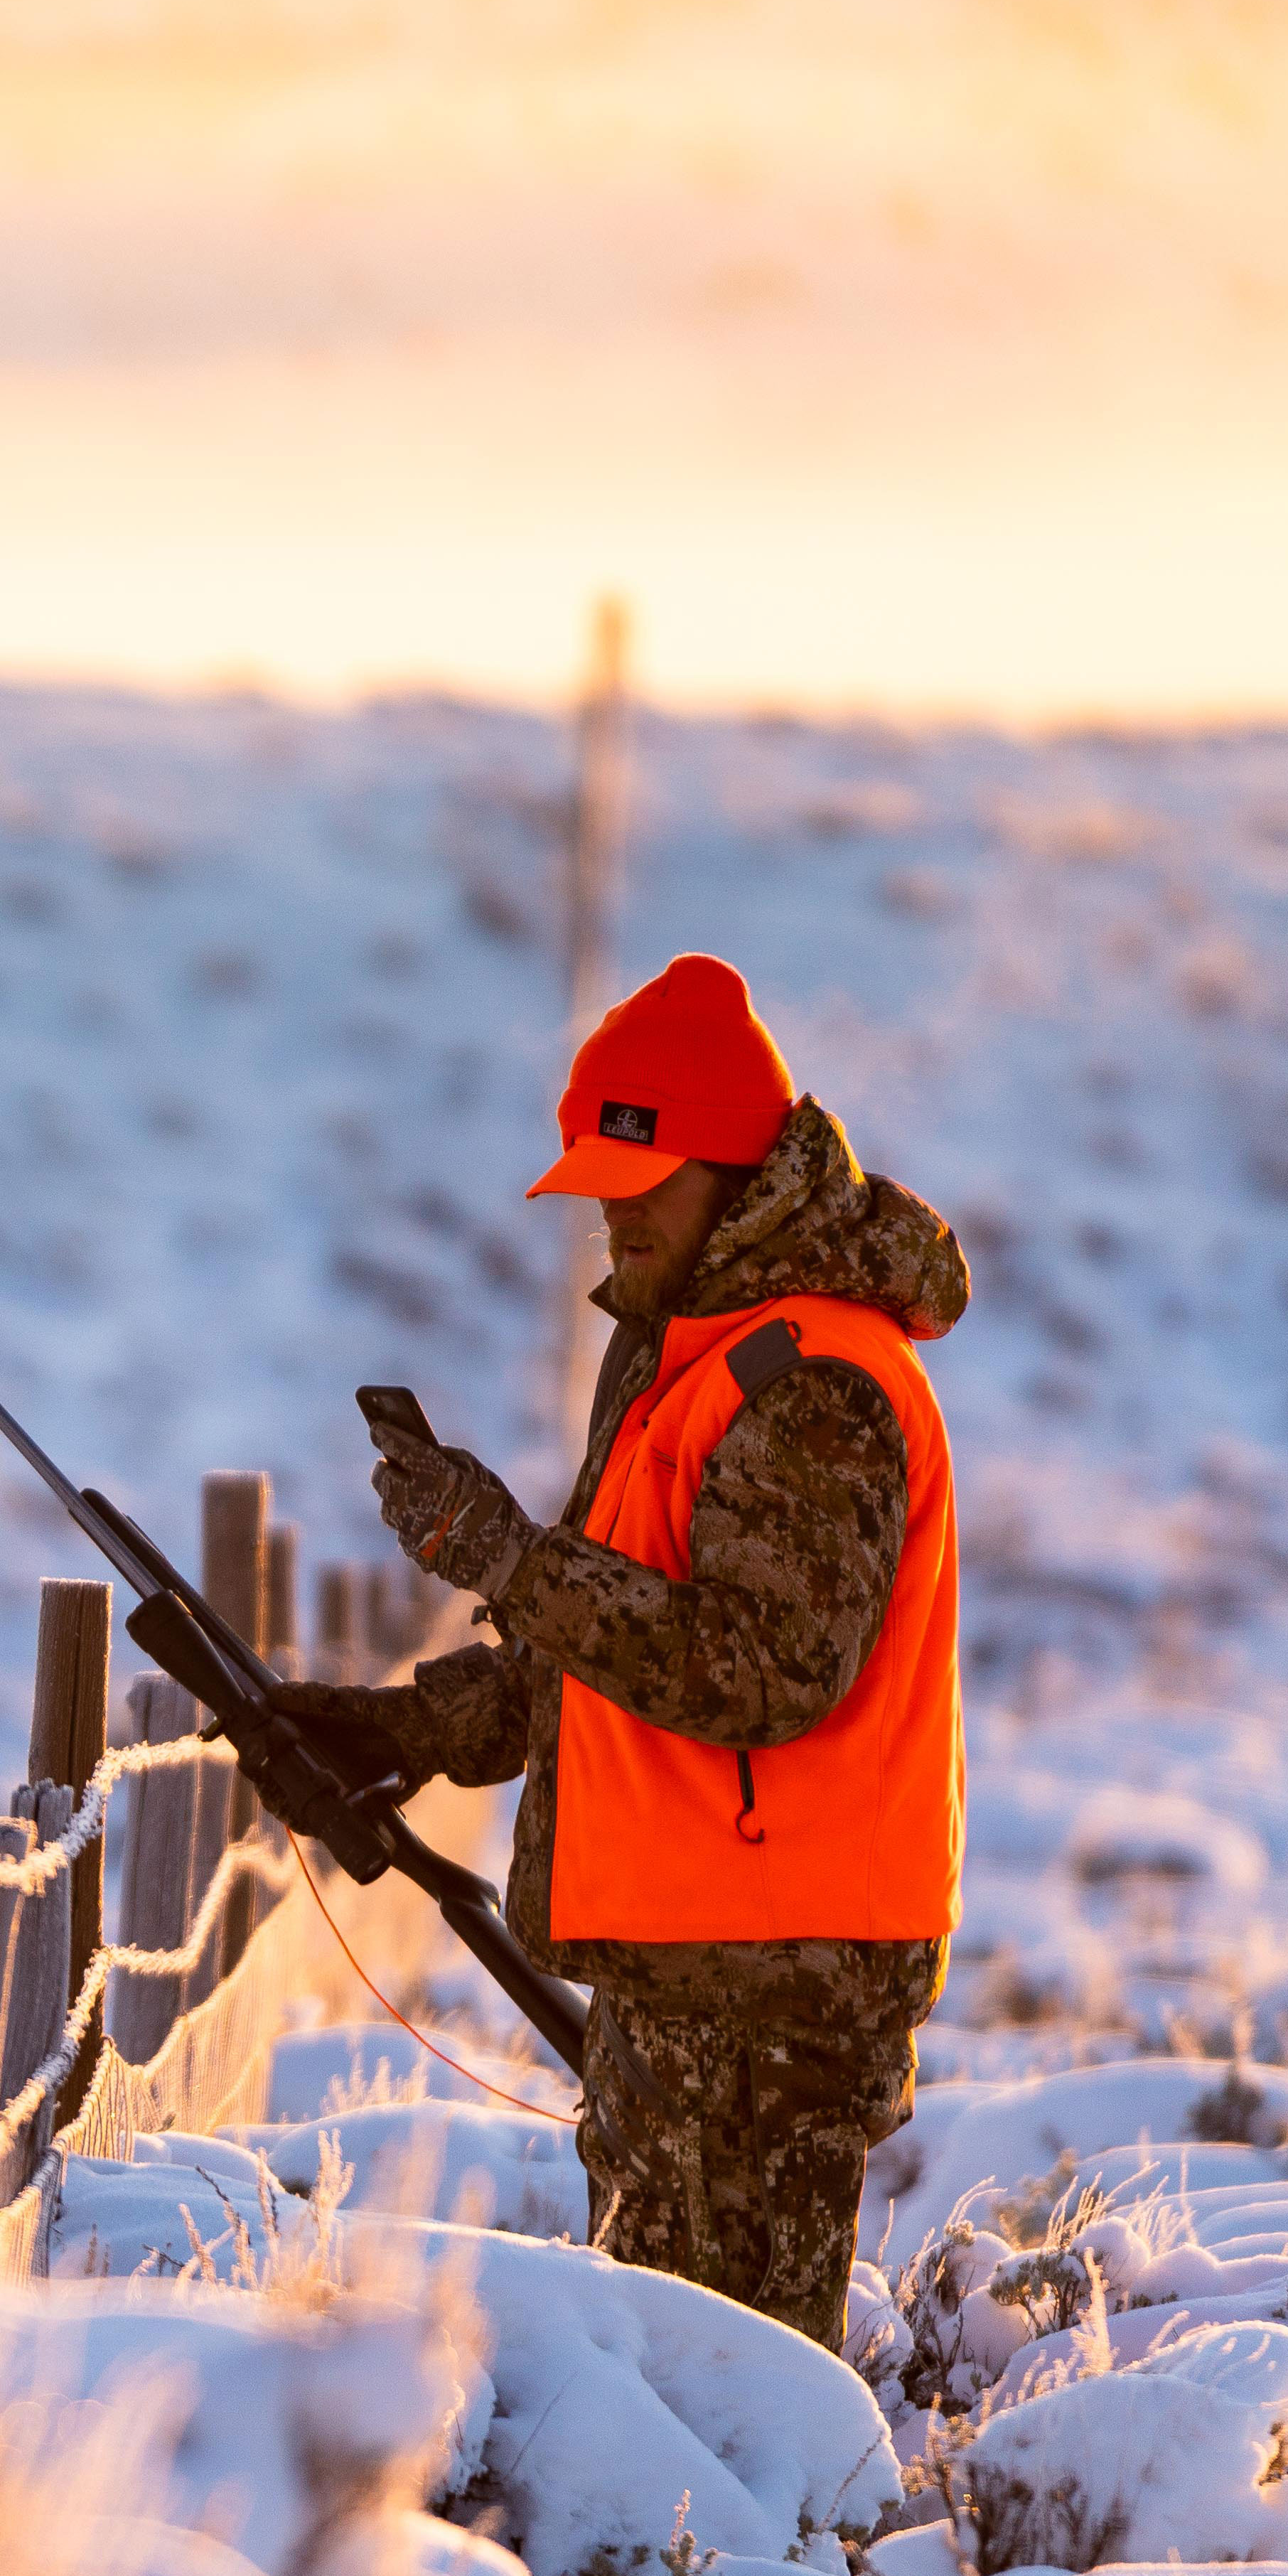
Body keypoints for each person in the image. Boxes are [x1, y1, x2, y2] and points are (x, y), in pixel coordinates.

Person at [284, 953, 970, 2346]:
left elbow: (759, 1675)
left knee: (723, 2411)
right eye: (597, 1187)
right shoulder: (694, 1356)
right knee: (679, 2397)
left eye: (640, 1183)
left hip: (768, 1989)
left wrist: (502, 1554)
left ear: (734, 1173)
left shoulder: (813, 1383)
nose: (612, 1217)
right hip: (700, 1971)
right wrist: (413, 1731)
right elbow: (620, 1656)